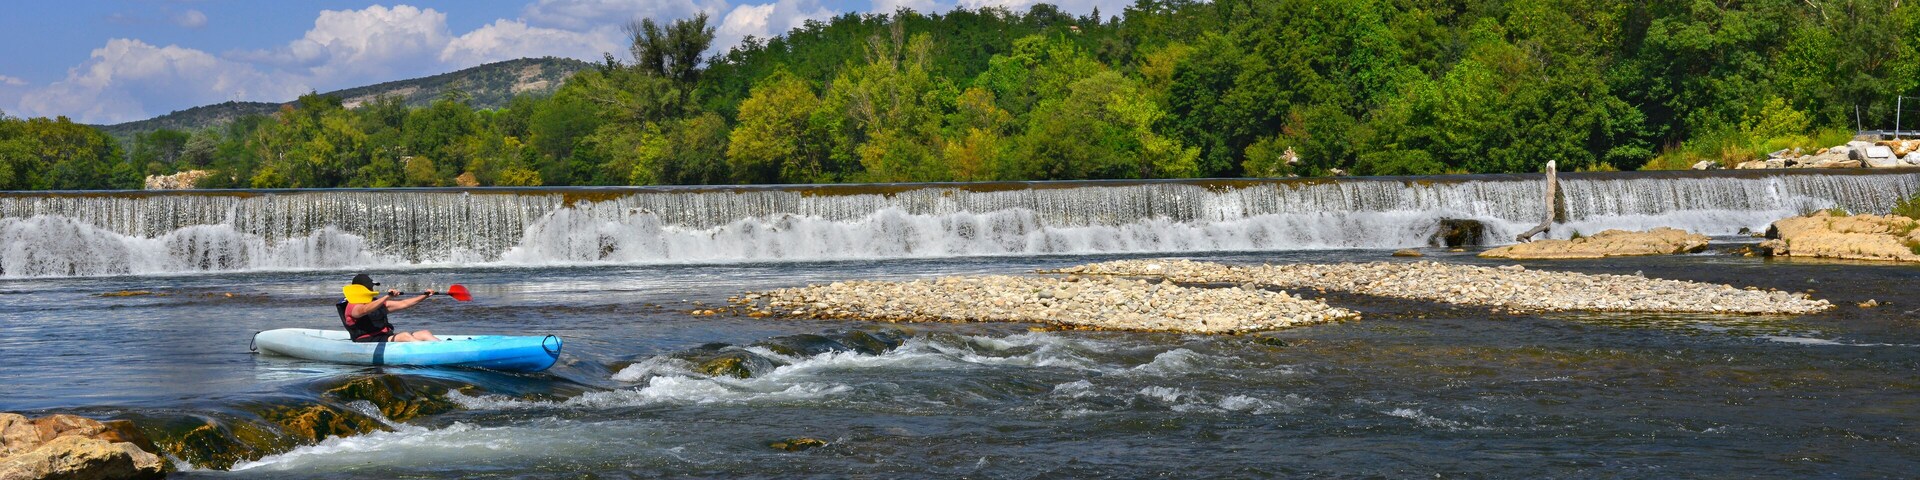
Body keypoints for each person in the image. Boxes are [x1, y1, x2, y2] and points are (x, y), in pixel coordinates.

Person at [338, 273, 441, 342]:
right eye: (369, 286)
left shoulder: (377, 303)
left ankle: (443, 346)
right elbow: (364, 310)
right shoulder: (352, 306)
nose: (371, 288)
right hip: (366, 341)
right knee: (404, 336)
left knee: (424, 333)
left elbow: (404, 303)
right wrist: (387, 297)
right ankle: (428, 351)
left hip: (383, 337)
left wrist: (425, 295)